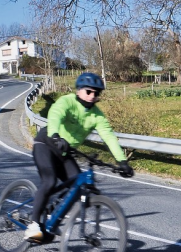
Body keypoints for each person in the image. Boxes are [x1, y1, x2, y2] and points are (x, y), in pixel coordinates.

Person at [24, 72, 134, 242]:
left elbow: (109, 137)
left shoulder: (97, 115)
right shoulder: (67, 101)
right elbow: (56, 114)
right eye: (89, 91)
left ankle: (52, 218)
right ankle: (33, 224)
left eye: (96, 93)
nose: (92, 96)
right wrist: (55, 135)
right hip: (46, 144)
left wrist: (122, 161)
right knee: (49, 181)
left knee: (78, 185)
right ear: (79, 90)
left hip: (65, 151)